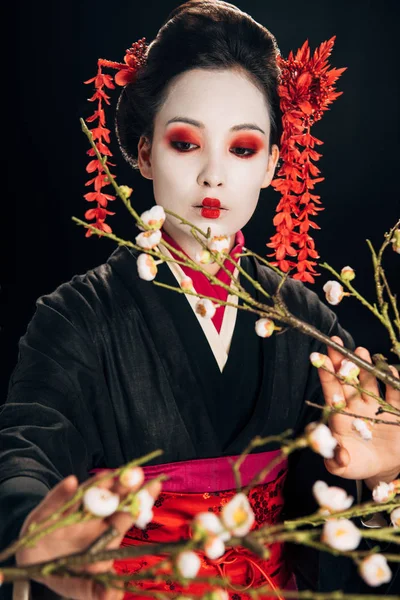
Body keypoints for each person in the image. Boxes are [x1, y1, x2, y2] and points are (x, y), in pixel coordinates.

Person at [0, 1, 399, 599]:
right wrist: (35, 526)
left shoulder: (307, 321)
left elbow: (351, 478)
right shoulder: (78, 318)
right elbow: (25, 449)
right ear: (142, 153)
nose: (214, 176)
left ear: (271, 165)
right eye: (186, 143)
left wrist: (388, 471)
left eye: (242, 149)